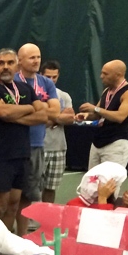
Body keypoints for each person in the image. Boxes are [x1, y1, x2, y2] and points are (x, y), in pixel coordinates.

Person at [0, 49, 47, 232]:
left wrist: (14, 115)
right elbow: (2, 112)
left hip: (21, 154)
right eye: (1, 63)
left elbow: (43, 115)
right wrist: (29, 107)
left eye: (9, 63)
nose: (5, 67)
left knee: (14, 204)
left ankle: (3, 245)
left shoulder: (24, 88)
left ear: (17, 66)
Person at [15, 43, 60, 235]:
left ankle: (23, 235)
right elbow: (9, 113)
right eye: (31, 57)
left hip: (36, 145)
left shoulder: (46, 83)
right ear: (20, 60)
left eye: (38, 57)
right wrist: (41, 110)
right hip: (14, 145)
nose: (36, 61)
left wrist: (27, 112)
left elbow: (55, 112)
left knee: (28, 195)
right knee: (10, 195)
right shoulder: (13, 81)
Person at [76, 60, 128, 169]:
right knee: (91, 181)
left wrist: (95, 108)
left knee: (109, 183)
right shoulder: (107, 91)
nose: (101, 76)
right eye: (102, 73)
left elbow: (120, 117)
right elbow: (98, 114)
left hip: (116, 144)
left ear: (118, 75)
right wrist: (86, 116)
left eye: (105, 74)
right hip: (98, 142)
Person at [40, 60, 75, 203]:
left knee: (51, 188)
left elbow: (70, 118)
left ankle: (46, 219)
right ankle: (30, 220)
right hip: (39, 148)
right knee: (33, 188)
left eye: (54, 77)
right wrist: (60, 116)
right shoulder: (35, 94)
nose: (51, 80)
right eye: (48, 77)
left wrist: (52, 118)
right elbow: (39, 119)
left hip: (59, 149)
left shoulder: (64, 96)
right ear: (41, 75)